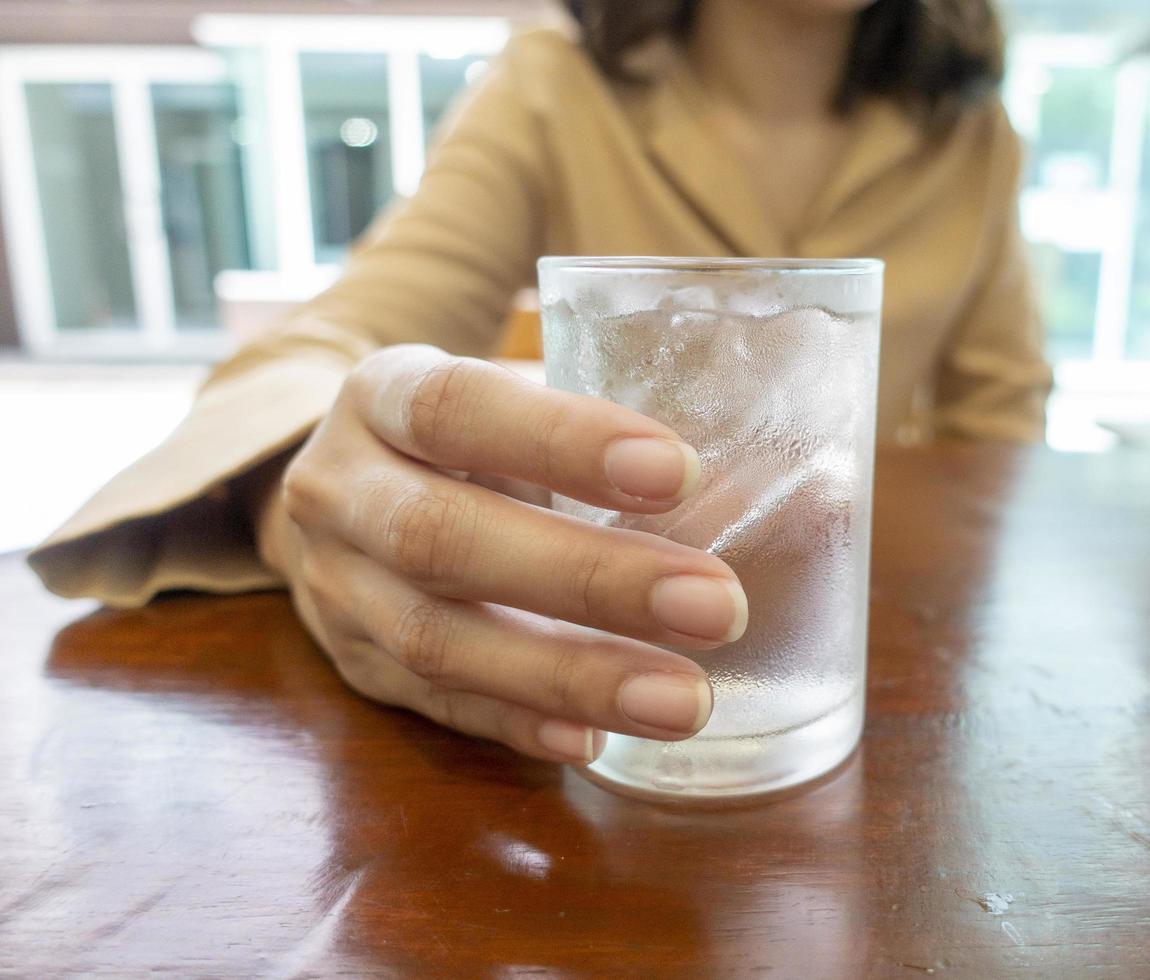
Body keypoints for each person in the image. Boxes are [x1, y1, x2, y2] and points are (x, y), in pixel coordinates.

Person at [29, 0, 1051, 766]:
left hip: (871, 676)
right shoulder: (552, 85)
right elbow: (340, 338)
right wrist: (316, 494)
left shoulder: (975, 135)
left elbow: (1001, 410)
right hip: (619, 662)